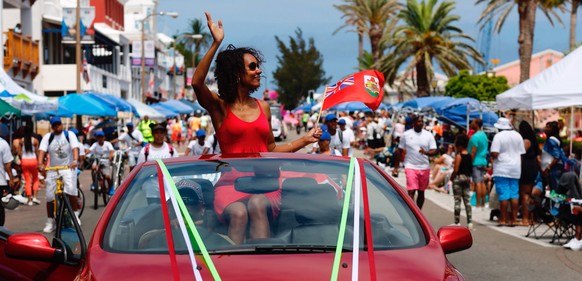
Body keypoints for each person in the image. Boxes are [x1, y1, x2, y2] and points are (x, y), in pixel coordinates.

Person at [191, 12, 320, 244]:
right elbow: (196, 83)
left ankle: (263, 268)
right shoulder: (220, 108)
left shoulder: (264, 107)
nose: (259, 70)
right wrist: (216, 43)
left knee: (258, 204)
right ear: (236, 74)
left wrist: (305, 140)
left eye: (258, 66)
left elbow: (269, 148)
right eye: (252, 67)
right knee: (239, 213)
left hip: (265, 184)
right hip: (231, 184)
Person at [138, 179, 233, 249]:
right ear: (170, 208)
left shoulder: (221, 241)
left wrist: (199, 229)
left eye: (191, 200)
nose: (185, 206)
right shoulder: (151, 238)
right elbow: (144, 242)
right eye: (179, 202)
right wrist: (169, 229)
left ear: (202, 208)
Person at [38, 116, 81, 233]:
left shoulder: (69, 135)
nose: (57, 127)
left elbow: (75, 148)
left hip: (67, 168)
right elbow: (42, 151)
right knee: (50, 197)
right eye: (54, 125)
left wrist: (75, 160)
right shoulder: (48, 137)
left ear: (62, 124)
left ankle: (75, 215)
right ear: (52, 127)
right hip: (52, 169)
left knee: (71, 190)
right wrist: (40, 163)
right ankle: (50, 221)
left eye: (58, 124)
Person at [393, 115, 437, 209]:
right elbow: (399, 151)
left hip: (424, 167)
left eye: (422, 121)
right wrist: (396, 167)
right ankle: (412, 213)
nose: (421, 123)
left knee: (421, 192)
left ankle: (418, 213)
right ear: (414, 124)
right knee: (411, 191)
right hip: (410, 166)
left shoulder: (428, 135)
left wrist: (425, 152)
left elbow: (434, 150)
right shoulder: (406, 134)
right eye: (419, 121)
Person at [490, 117, 525, 227]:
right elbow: (522, 153)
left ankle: (503, 219)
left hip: (502, 168)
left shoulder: (498, 136)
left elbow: (494, 153)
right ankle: (514, 219)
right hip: (515, 168)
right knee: (514, 194)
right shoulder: (518, 135)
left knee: (504, 195)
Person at [518, 120, 540, 226]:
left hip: (526, 167)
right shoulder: (533, 140)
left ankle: (525, 218)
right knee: (529, 194)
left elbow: (521, 154)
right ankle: (531, 217)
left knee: (524, 194)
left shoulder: (526, 141)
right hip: (532, 166)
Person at [450, 134, 473, 229]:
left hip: (458, 179)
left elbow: (456, 170)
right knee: (467, 201)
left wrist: (451, 177)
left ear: (459, 145)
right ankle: (470, 222)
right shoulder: (470, 156)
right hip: (467, 179)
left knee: (457, 201)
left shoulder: (459, 156)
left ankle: (457, 221)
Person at [14, 125, 40, 206]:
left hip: (25, 161)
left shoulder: (21, 141)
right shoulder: (35, 140)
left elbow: (19, 152)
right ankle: (35, 196)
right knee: (35, 178)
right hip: (33, 160)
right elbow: (37, 152)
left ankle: (29, 200)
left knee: (27, 180)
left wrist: (22, 158)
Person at [467, 118, 489, 210]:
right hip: (483, 161)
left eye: (472, 122)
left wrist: (469, 162)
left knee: (478, 183)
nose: (471, 123)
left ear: (476, 124)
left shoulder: (475, 136)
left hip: (476, 161)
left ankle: (478, 204)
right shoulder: (484, 135)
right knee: (482, 182)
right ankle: (483, 203)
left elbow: (473, 151)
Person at [541, 121, 567, 192]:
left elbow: (557, 156)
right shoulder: (552, 139)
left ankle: (556, 203)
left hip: (554, 169)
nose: (545, 128)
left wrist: (548, 167)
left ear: (553, 129)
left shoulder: (552, 140)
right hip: (554, 168)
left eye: (548, 127)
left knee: (555, 190)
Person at [0, 135, 16, 226]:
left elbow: (7, 164)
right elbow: (7, 164)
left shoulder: (3, 143)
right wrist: (11, 178)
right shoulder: (3, 143)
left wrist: (11, 178)